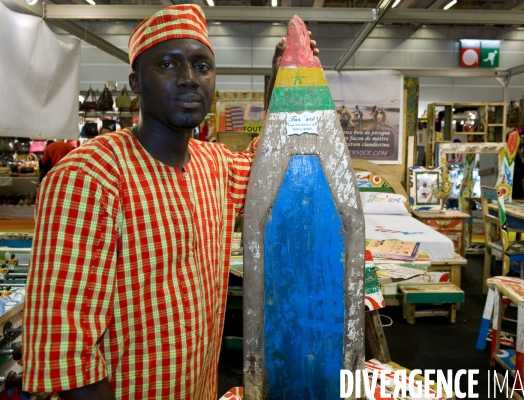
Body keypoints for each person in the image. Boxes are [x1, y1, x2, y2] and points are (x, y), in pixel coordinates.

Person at [22, 5, 318, 399]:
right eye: (167, 64)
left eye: (201, 66)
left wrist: (282, 82)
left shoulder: (214, 167)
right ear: (136, 82)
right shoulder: (89, 178)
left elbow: (266, 162)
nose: (188, 80)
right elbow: (64, 350)